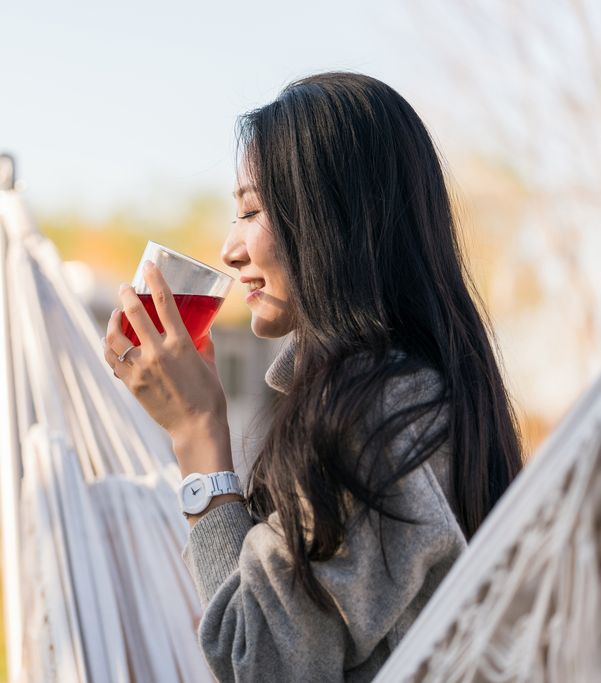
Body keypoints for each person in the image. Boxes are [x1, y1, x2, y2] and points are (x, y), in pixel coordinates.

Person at [102, 72, 523, 682]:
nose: (228, 249)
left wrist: (198, 436)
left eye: (251, 210)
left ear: (335, 220)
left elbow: (261, 664)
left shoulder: (367, 416)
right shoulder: (428, 388)